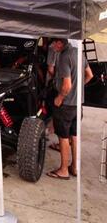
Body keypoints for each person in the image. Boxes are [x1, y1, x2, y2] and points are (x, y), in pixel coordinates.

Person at [46, 38, 93, 180]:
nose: (52, 47)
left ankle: (63, 170)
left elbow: (66, 85)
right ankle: (74, 167)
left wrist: (60, 98)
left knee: (63, 137)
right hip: (78, 104)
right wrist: (78, 90)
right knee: (74, 135)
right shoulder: (79, 53)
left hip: (66, 105)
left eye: (53, 44)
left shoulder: (64, 57)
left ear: (60, 43)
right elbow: (90, 75)